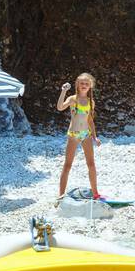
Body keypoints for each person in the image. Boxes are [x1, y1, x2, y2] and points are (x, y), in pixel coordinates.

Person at [57, 73, 102, 201]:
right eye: (82, 83)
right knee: (67, 165)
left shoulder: (90, 101)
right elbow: (60, 107)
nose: (84, 86)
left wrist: (95, 137)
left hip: (86, 135)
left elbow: (90, 120)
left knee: (91, 164)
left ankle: (95, 193)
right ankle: (61, 195)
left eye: (87, 84)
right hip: (74, 135)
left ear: (90, 86)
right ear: (77, 84)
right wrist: (63, 91)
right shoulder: (72, 99)